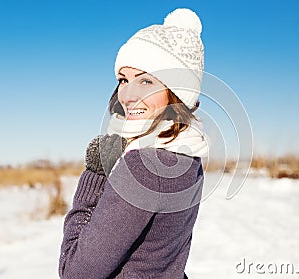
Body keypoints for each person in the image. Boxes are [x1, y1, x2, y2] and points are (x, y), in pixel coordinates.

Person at [59, 8, 208, 279]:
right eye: (124, 80)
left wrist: (96, 172)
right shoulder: (189, 156)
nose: (127, 94)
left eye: (146, 81)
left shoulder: (143, 166)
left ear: (176, 92)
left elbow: (75, 272)